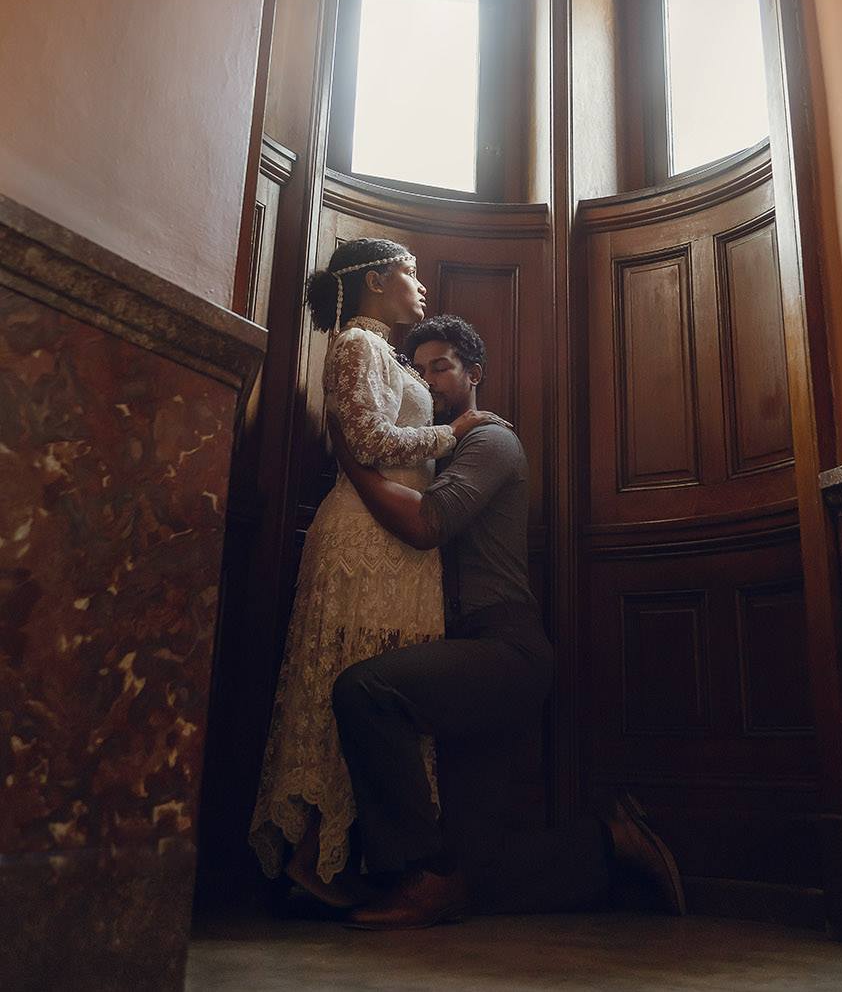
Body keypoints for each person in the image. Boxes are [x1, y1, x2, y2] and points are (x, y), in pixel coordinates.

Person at [330, 313, 685, 928]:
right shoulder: (435, 453)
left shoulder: (490, 442)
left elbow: (425, 526)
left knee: (364, 691)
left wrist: (353, 463)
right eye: (419, 369)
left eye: (441, 366)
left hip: (505, 651)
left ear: (475, 374)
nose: (429, 380)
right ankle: (612, 845)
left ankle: (418, 878)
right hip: (476, 648)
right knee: (478, 868)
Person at [248, 245, 498, 903]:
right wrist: (452, 438)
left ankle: (357, 858)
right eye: (411, 273)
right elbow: (367, 442)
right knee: (349, 681)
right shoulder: (356, 346)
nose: (420, 286)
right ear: (377, 280)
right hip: (364, 538)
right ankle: (311, 856)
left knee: (379, 688)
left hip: (398, 545)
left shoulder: (381, 352)